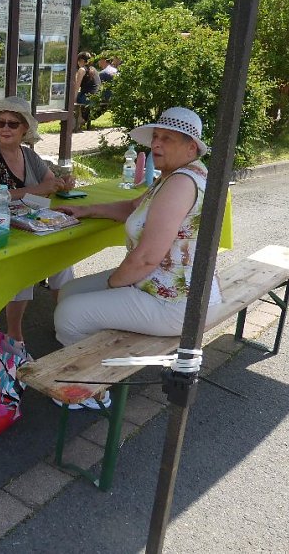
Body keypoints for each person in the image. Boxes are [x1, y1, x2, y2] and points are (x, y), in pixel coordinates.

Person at [52, 107, 219, 409]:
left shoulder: (180, 183)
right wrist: (86, 211)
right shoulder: (179, 175)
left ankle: (92, 387)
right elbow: (133, 207)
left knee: (69, 314)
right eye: (155, 137)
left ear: (191, 146)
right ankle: (91, 353)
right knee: (68, 290)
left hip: (176, 303)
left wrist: (114, 285)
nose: (156, 145)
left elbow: (145, 259)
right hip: (170, 288)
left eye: (167, 139)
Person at [0, 95, 76, 343]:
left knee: (63, 259)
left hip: (30, 227)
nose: (5, 128)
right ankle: (14, 333)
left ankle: (67, 320)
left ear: (25, 128)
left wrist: (62, 184)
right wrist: (36, 190)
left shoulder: (28, 155)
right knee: (23, 266)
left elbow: (49, 182)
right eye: (0, 123)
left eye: (12, 124)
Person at [73, 51, 100, 132]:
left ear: (81, 60)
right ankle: (81, 119)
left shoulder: (82, 70)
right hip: (96, 96)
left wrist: (73, 99)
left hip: (88, 97)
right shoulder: (93, 69)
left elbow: (76, 87)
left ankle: (79, 120)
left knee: (70, 100)